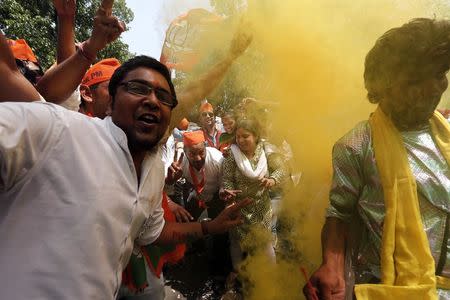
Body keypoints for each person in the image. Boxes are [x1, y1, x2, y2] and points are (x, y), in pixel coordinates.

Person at [0, 1, 252, 299]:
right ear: (110, 102)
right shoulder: (59, 131)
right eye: (137, 89)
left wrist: (211, 227)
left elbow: (153, 233)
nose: (152, 100)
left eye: (162, 96)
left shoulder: (152, 171)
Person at [304, 18, 450, 300]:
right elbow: (339, 212)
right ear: (384, 86)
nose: (435, 88)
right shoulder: (357, 145)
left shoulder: (446, 136)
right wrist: (331, 265)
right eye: (418, 80)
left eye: (440, 75)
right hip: (394, 290)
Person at [221, 118, 287, 270]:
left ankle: (271, 276)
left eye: (245, 136)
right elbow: (227, 179)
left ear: (255, 136)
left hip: (261, 207)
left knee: (265, 242)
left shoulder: (266, 149)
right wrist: (229, 194)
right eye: (238, 137)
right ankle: (238, 274)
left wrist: (272, 179)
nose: (241, 140)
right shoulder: (232, 153)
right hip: (239, 207)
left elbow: (282, 170)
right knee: (237, 243)